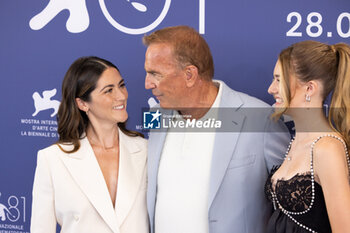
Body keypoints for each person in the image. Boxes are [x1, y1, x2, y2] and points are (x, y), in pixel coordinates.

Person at [143, 25, 291, 233]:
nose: (147, 84)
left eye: (155, 74)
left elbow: (291, 204)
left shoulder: (260, 119)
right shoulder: (155, 115)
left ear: (190, 75)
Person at [30, 56, 149, 233]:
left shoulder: (146, 150)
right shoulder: (53, 159)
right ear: (83, 103)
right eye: (109, 90)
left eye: (121, 85)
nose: (121, 95)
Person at [265, 41, 350, 233]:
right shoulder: (296, 141)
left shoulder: (327, 148)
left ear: (310, 88)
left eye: (279, 80)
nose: (271, 89)